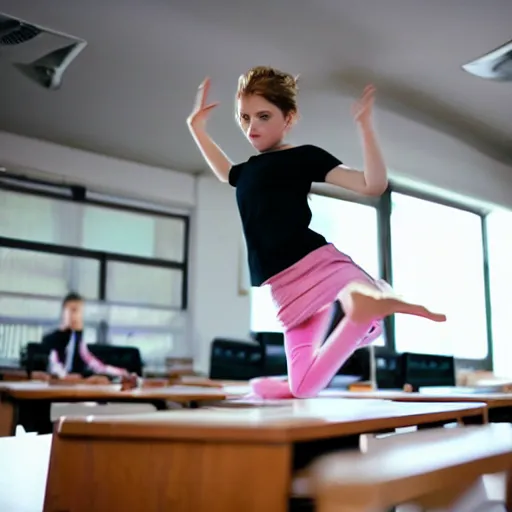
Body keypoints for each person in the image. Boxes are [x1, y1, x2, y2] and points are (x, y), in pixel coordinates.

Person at [187, 66, 446, 399]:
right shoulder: (247, 170)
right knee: (303, 388)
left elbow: (372, 185)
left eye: (263, 116)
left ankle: (368, 300)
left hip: (317, 267)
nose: (252, 127)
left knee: (364, 318)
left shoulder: (303, 157)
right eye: (245, 118)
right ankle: (360, 314)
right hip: (284, 288)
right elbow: (224, 172)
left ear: (289, 117)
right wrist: (196, 128)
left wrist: (366, 128)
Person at [42, 292, 130, 381]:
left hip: (74, 388)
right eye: (73, 310)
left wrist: (119, 372)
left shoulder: (77, 338)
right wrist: (65, 377)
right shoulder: (51, 339)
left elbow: (93, 363)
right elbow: (54, 366)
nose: (77, 316)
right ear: (63, 313)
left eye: (80, 312)